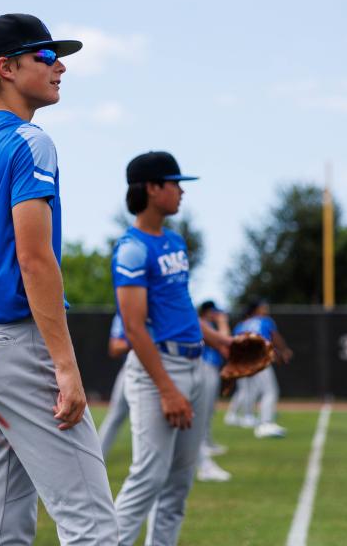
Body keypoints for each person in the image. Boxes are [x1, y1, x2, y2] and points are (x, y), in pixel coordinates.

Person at [0, 13, 118, 545]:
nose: (60, 66)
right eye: (45, 56)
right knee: (92, 526)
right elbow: (35, 260)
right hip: (20, 344)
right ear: (6, 68)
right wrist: (66, 368)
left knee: (1, 531)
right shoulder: (29, 141)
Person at [112, 152, 232, 546]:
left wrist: (222, 342)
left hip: (194, 365)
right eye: (174, 183)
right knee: (148, 477)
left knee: (178, 483)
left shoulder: (174, 241)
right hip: (158, 370)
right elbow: (133, 326)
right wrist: (166, 389)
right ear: (151, 188)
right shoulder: (132, 248)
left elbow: (180, 308)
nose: (181, 191)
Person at [235, 299, 293, 438]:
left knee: (252, 391)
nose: (265, 309)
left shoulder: (241, 325)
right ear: (256, 310)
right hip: (259, 359)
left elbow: (236, 343)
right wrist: (283, 351)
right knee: (269, 391)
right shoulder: (265, 320)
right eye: (263, 307)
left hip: (245, 361)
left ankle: (249, 417)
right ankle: (265, 424)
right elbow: (275, 337)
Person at [194, 301, 231, 482]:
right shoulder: (204, 324)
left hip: (208, 368)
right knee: (200, 413)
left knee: (207, 411)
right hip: (204, 367)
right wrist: (223, 322)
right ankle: (203, 455)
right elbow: (224, 342)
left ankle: (205, 445)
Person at [98, 312, 132, 458]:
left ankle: (201, 462)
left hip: (163, 369)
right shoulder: (123, 314)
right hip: (132, 371)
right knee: (114, 417)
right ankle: (97, 459)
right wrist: (142, 339)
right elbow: (115, 347)